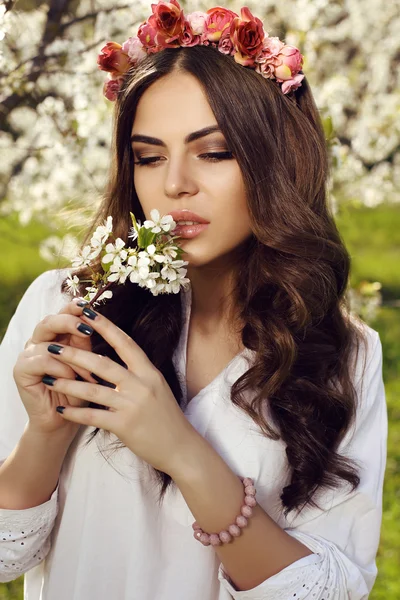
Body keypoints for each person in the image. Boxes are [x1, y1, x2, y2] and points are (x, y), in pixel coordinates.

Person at [0, 2, 387, 599]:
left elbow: (328, 590)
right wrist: (45, 435)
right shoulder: (67, 308)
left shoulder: (343, 353)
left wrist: (182, 450)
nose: (175, 182)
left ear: (277, 160)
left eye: (214, 152)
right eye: (148, 156)